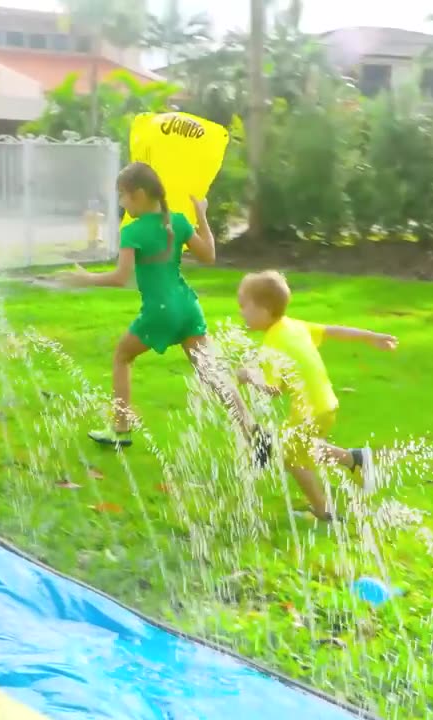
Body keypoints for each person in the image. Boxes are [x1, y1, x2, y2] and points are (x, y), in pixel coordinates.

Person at [61, 161, 268, 464]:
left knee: (122, 356)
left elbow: (121, 277)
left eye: (124, 196)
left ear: (140, 194)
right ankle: (252, 431)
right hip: (187, 306)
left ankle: (120, 427)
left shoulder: (132, 231)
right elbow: (209, 255)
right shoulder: (179, 222)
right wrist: (202, 216)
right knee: (214, 375)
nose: (121, 203)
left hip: (160, 311)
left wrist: (85, 279)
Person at [235, 270, 397, 521]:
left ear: (264, 310)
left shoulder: (272, 344)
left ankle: (324, 510)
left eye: (244, 306)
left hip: (310, 410)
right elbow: (333, 331)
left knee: (292, 458)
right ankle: (353, 459)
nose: (240, 312)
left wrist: (249, 376)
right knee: (300, 447)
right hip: (326, 403)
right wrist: (371, 337)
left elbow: (274, 390)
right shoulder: (294, 326)